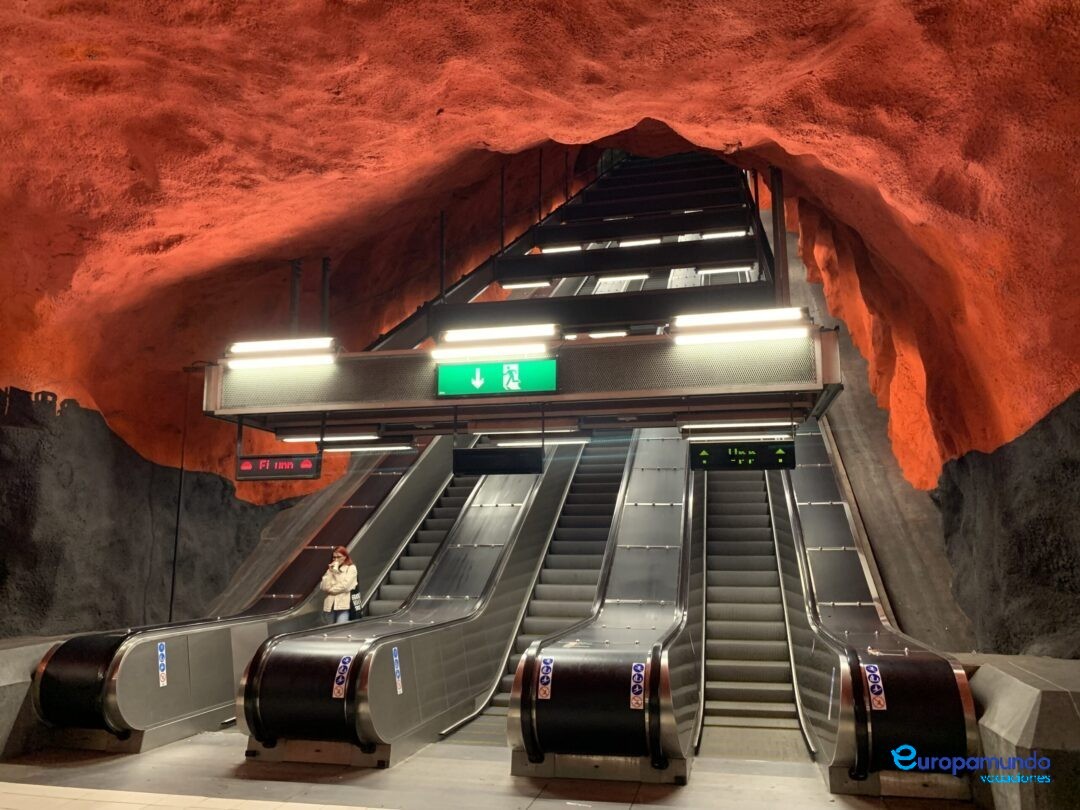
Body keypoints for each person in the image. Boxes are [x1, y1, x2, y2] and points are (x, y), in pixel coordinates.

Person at [320, 546, 358, 624]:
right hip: (329, 605)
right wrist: (330, 572)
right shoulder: (330, 569)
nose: (336, 560)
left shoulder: (351, 568)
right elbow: (323, 587)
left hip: (343, 606)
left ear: (345, 557)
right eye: (334, 557)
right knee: (328, 631)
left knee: (340, 631)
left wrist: (331, 590)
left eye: (339, 557)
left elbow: (345, 586)